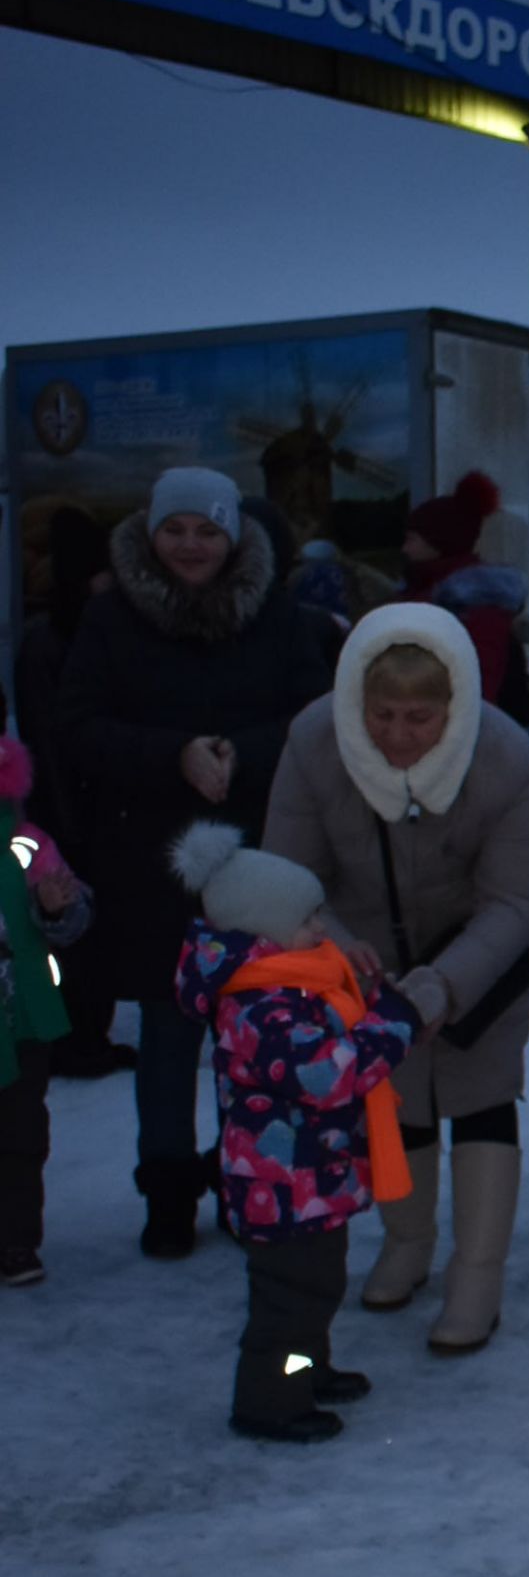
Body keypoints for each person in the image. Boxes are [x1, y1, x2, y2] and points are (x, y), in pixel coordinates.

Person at [264, 605, 529, 1354]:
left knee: (482, 1091)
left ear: (454, 708)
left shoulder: (504, 756)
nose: (397, 734)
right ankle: (409, 1239)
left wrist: (443, 984)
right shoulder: (311, 743)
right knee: (393, 1091)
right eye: (382, 714)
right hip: (361, 947)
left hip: (484, 944)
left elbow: (517, 897)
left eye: (419, 717)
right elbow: (288, 874)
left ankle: (478, 1272)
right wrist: (340, 946)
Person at [55, 468, 330, 1257]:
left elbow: (314, 720)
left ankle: (252, 1186)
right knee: (170, 1038)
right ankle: (168, 1191)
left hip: (258, 858)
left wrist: (238, 754)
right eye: (175, 529)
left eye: (207, 530)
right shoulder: (111, 618)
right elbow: (75, 727)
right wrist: (170, 756)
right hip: (150, 861)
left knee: (259, 1036)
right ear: (150, 533)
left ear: (233, 536)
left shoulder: (277, 617)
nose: (190, 545)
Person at [172, 823, 420, 1444]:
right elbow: (328, 1074)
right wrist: (393, 1026)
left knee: (318, 1285)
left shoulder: (287, 981)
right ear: (266, 929)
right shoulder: (262, 1006)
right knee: (290, 1300)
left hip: (309, 1176)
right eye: (310, 919)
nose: (321, 929)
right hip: (279, 1185)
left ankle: (308, 1372)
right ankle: (271, 1400)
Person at [9, 507, 131, 1077]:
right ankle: (77, 1039)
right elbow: (47, 738)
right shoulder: (52, 641)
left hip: (86, 809)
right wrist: (67, 818)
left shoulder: (72, 631)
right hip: (71, 814)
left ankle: (83, 1037)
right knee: (72, 935)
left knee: (86, 934)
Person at [0, 739, 91, 1285]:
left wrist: (55, 908)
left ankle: (16, 1241)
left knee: (22, 1131)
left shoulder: (26, 842)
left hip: (23, 1011)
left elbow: (76, 912)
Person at [401, 471, 529, 718]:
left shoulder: (475, 608)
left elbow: (478, 693)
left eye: (412, 540)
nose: (405, 549)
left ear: (439, 542)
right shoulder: (427, 596)